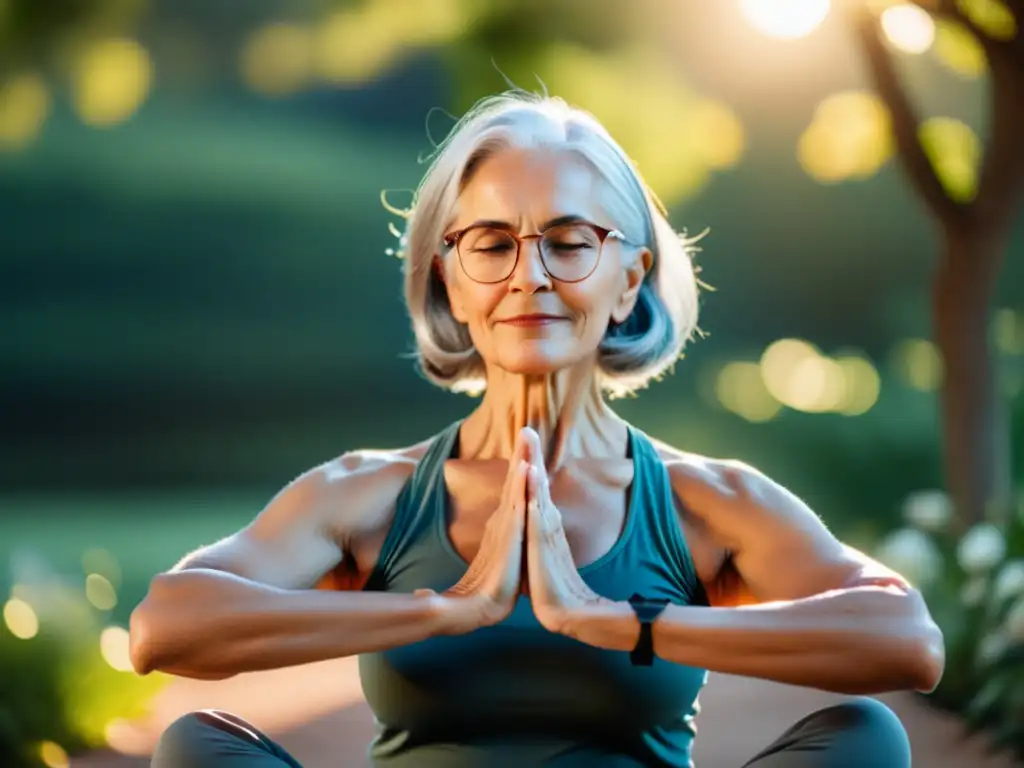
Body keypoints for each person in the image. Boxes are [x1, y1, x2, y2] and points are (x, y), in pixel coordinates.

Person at [129, 90, 944, 768]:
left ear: (630, 280)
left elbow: (906, 639)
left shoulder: (704, 501)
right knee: (197, 747)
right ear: (450, 281)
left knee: (866, 741)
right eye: (491, 244)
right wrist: (440, 609)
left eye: (568, 242)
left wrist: (619, 622)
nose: (531, 275)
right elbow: (165, 626)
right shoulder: (369, 495)